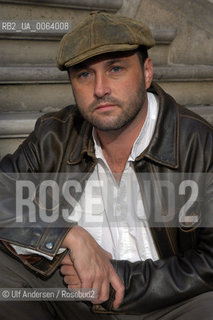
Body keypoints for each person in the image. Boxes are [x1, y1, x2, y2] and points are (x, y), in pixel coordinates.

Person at [0, 11, 212, 320]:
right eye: (85, 74)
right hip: (74, 296)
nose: (100, 89)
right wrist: (66, 234)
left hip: (165, 304)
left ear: (147, 72)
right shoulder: (54, 135)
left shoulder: (200, 146)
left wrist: (123, 278)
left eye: (115, 69)